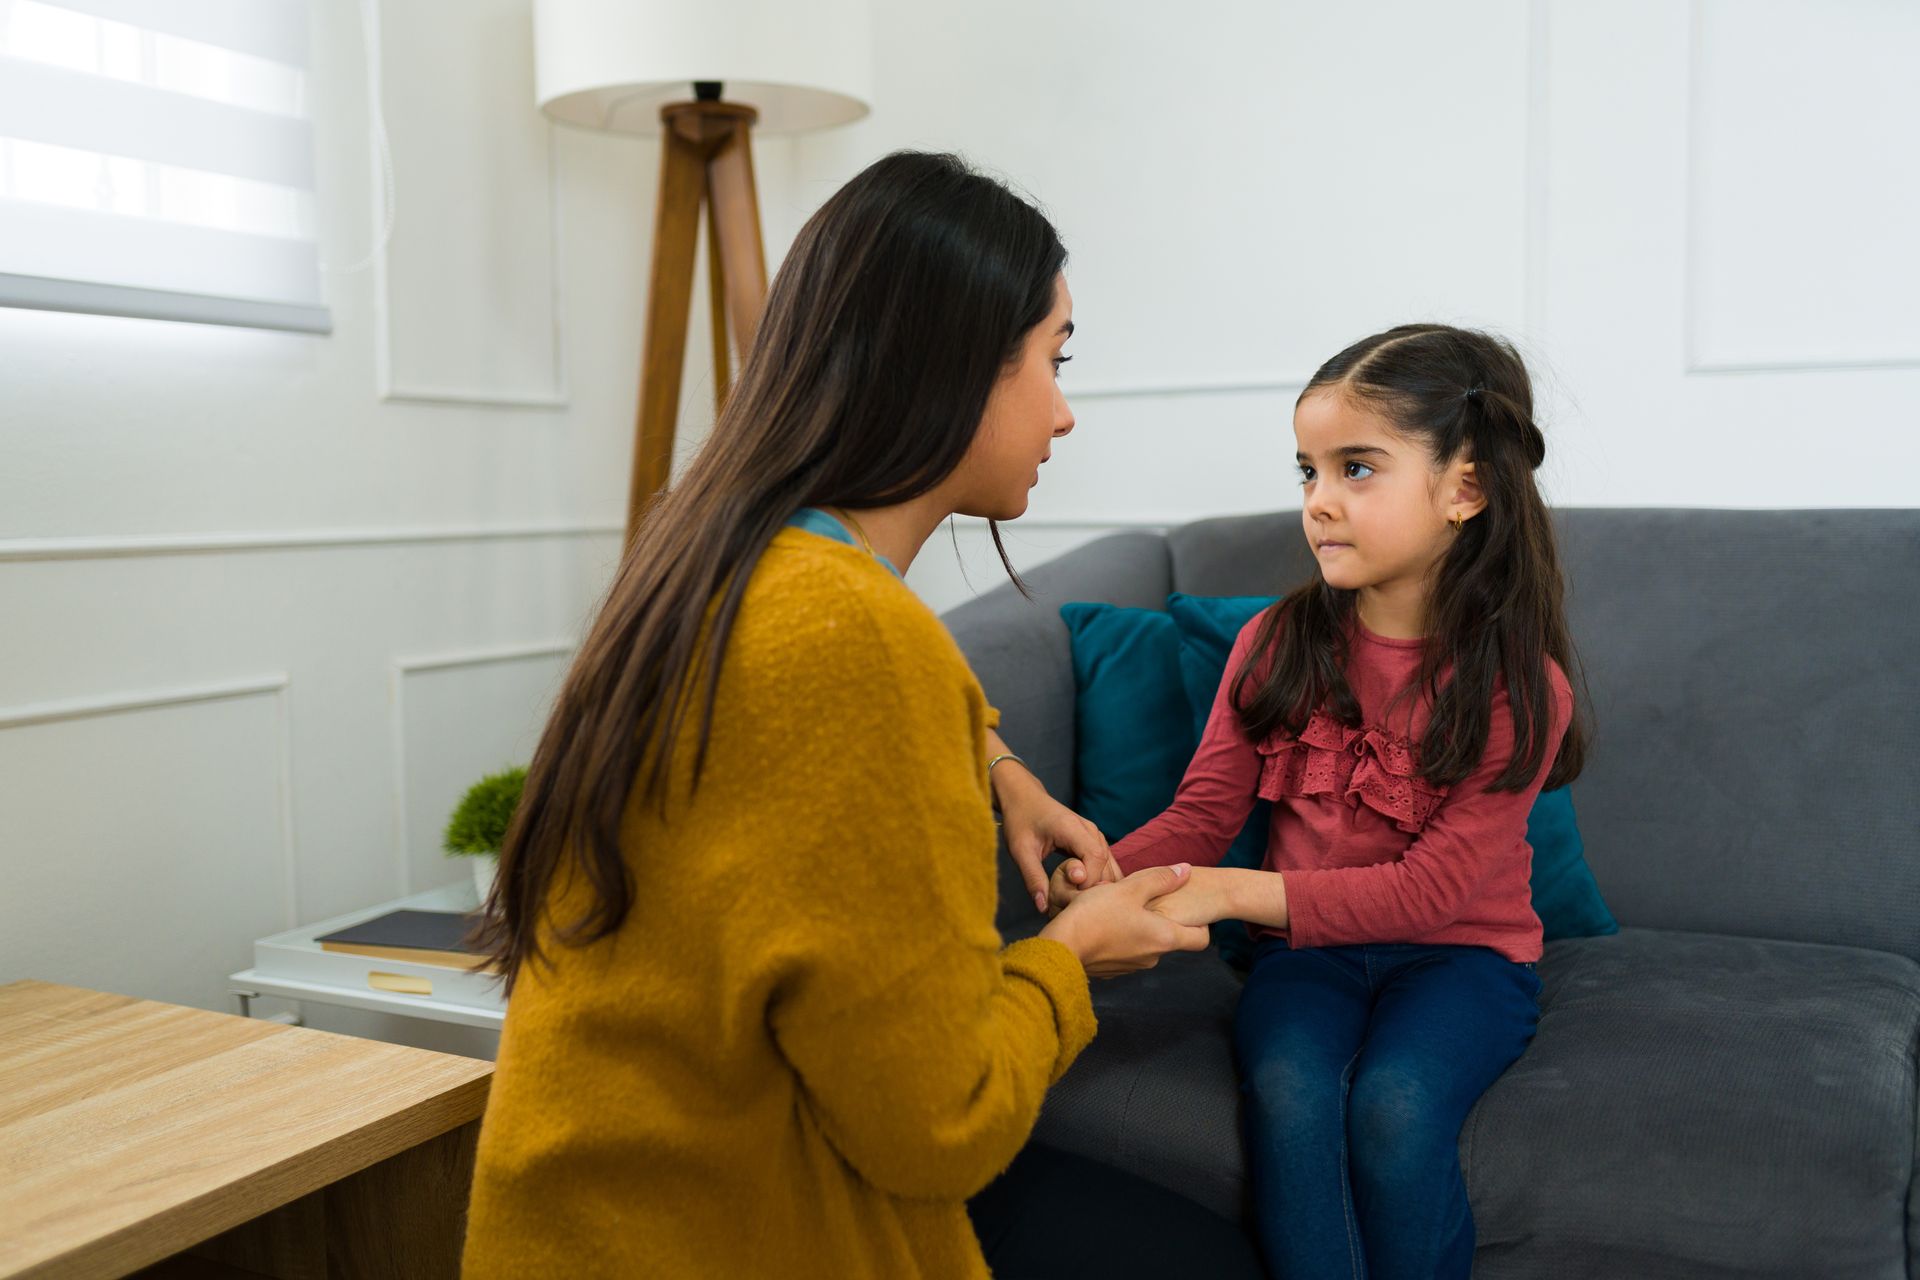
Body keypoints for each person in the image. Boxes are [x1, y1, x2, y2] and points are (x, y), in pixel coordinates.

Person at [460, 150, 1263, 1279]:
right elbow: (943, 1125)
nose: (1065, 411)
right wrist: (1071, 959)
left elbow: (855, 693)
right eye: (1053, 357)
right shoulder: (855, 640)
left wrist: (1001, 768)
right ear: (956, 367)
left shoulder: (718, 564)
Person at [1054, 323, 1588, 1279]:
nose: (1320, 503)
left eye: (1357, 469)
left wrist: (1225, 894)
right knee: (1293, 1091)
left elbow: (1430, 893)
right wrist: (1108, 868)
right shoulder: (1274, 643)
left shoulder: (1519, 682)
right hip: (1309, 958)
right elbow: (1202, 818)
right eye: (1308, 471)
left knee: (1396, 1104)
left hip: (1462, 958)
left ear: (1463, 489)